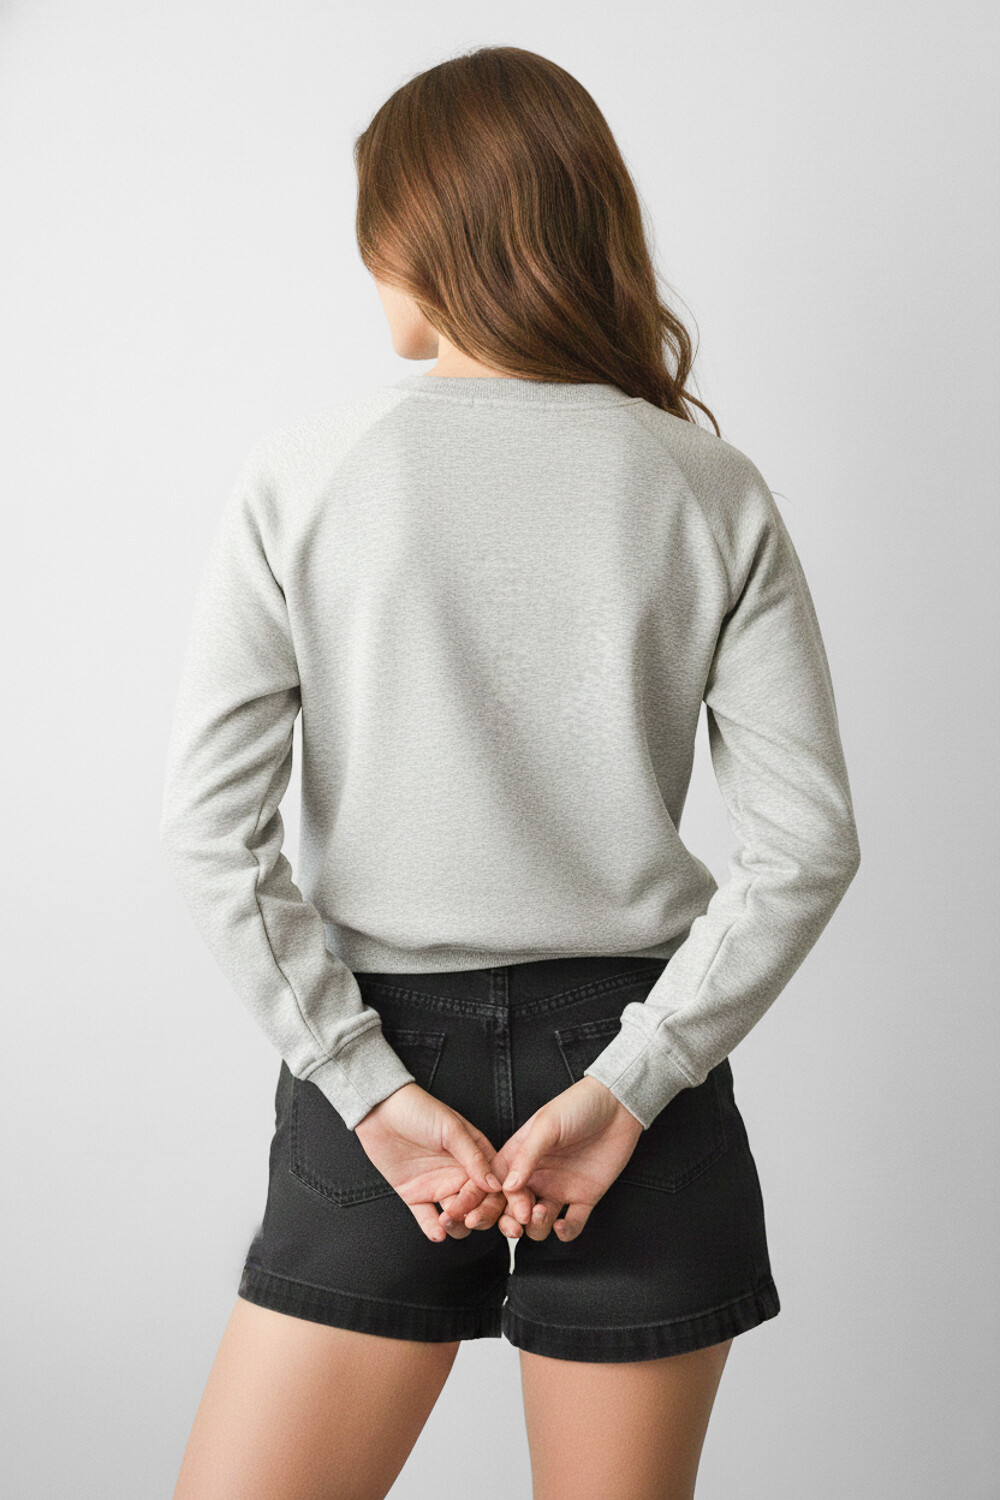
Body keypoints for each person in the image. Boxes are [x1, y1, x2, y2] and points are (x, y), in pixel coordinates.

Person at [159, 44, 861, 1500]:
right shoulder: (706, 486)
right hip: (633, 1057)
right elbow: (806, 848)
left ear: (420, 238)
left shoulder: (305, 475)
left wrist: (362, 1086)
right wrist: (630, 1087)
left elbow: (214, 836)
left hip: (378, 1046)